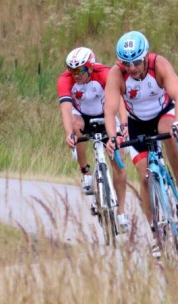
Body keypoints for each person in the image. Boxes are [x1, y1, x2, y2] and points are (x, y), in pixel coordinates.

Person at [104, 31, 178, 250]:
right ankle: (156, 234)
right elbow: (109, 109)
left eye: (136, 61)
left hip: (163, 113)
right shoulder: (118, 74)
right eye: (127, 63)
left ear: (145, 57)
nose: (132, 67)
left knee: (168, 131)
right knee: (144, 178)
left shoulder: (159, 64)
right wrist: (112, 136)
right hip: (136, 124)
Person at [57, 47, 130, 232]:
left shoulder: (104, 73)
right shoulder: (65, 80)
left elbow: (120, 101)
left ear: (90, 67)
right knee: (75, 126)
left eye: (80, 70)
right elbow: (66, 108)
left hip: (106, 115)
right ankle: (86, 172)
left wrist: (123, 124)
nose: (76, 75)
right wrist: (69, 134)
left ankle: (121, 212)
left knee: (118, 163)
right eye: (72, 70)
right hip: (81, 115)